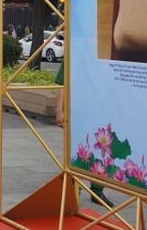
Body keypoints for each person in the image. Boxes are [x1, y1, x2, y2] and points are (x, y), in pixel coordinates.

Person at [54, 62, 114, 208]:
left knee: (101, 153)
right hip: (78, 112)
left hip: (99, 111)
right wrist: (59, 110)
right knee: (77, 152)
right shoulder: (73, 54)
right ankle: (75, 191)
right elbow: (62, 84)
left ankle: (97, 190)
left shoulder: (100, 59)